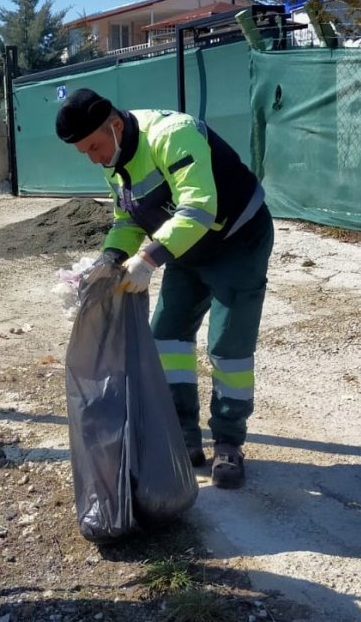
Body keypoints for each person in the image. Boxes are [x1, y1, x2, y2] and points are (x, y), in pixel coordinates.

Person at [55, 88, 273, 490]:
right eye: (84, 152)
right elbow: (128, 218)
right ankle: (182, 433)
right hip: (185, 248)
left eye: (95, 147)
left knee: (229, 344)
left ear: (115, 126)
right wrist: (109, 260)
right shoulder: (116, 158)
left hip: (237, 239)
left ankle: (228, 441)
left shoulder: (173, 134)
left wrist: (147, 260)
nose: (94, 158)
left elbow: (199, 208)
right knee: (167, 337)